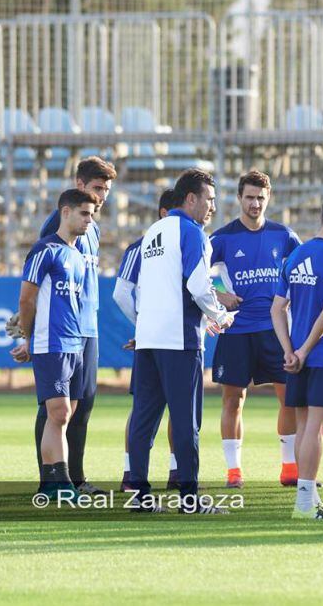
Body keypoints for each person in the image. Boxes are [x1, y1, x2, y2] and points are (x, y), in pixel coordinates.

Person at [128, 169, 233, 514]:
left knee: (143, 420)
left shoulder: (152, 231)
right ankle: (190, 499)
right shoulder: (193, 232)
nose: (212, 207)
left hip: (148, 338)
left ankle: (139, 496)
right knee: (187, 422)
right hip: (180, 341)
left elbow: (147, 289)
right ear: (191, 199)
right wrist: (218, 315)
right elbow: (199, 285)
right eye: (209, 200)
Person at [209, 169, 302, 488]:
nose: (255, 203)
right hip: (236, 329)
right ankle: (234, 471)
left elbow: (302, 275)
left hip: (275, 330)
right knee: (233, 399)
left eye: (260, 197)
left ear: (269, 198)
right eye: (249, 197)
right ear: (239, 198)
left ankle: (289, 467)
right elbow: (198, 277)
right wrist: (219, 295)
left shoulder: (284, 235)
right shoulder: (221, 238)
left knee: (289, 396)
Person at [31, 157, 117, 495]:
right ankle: (51, 479)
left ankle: (75, 478)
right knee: (54, 407)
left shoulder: (92, 226)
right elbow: (40, 282)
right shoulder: (60, 224)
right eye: (97, 188)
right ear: (78, 185)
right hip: (63, 328)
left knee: (83, 403)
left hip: (88, 324)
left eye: (107, 190)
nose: (102, 196)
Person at [271, 193, 323, 519]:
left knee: (306, 425)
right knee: (316, 429)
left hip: (297, 353)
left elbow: (277, 308)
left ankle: (306, 501)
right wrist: (305, 350)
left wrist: (289, 350)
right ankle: (305, 504)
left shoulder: (295, 255)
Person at [10, 189, 99, 499]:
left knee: (64, 415)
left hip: (75, 343)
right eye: (84, 213)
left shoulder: (77, 256)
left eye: (92, 214)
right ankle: (57, 482)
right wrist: (28, 337)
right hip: (52, 342)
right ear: (65, 212)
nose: (90, 220)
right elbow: (26, 296)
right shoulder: (44, 250)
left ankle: (56, 483)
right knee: (58, 412)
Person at [113, 188, 179, 492]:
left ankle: (134, 475)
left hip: (155, 339)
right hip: (170, 340)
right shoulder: (144, 247)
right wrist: (144, 325)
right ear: (165, 213)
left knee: (145, 408)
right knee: (164, 409)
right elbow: (120, 293)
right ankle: (173, 473)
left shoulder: (156, 246)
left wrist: (144, 327)